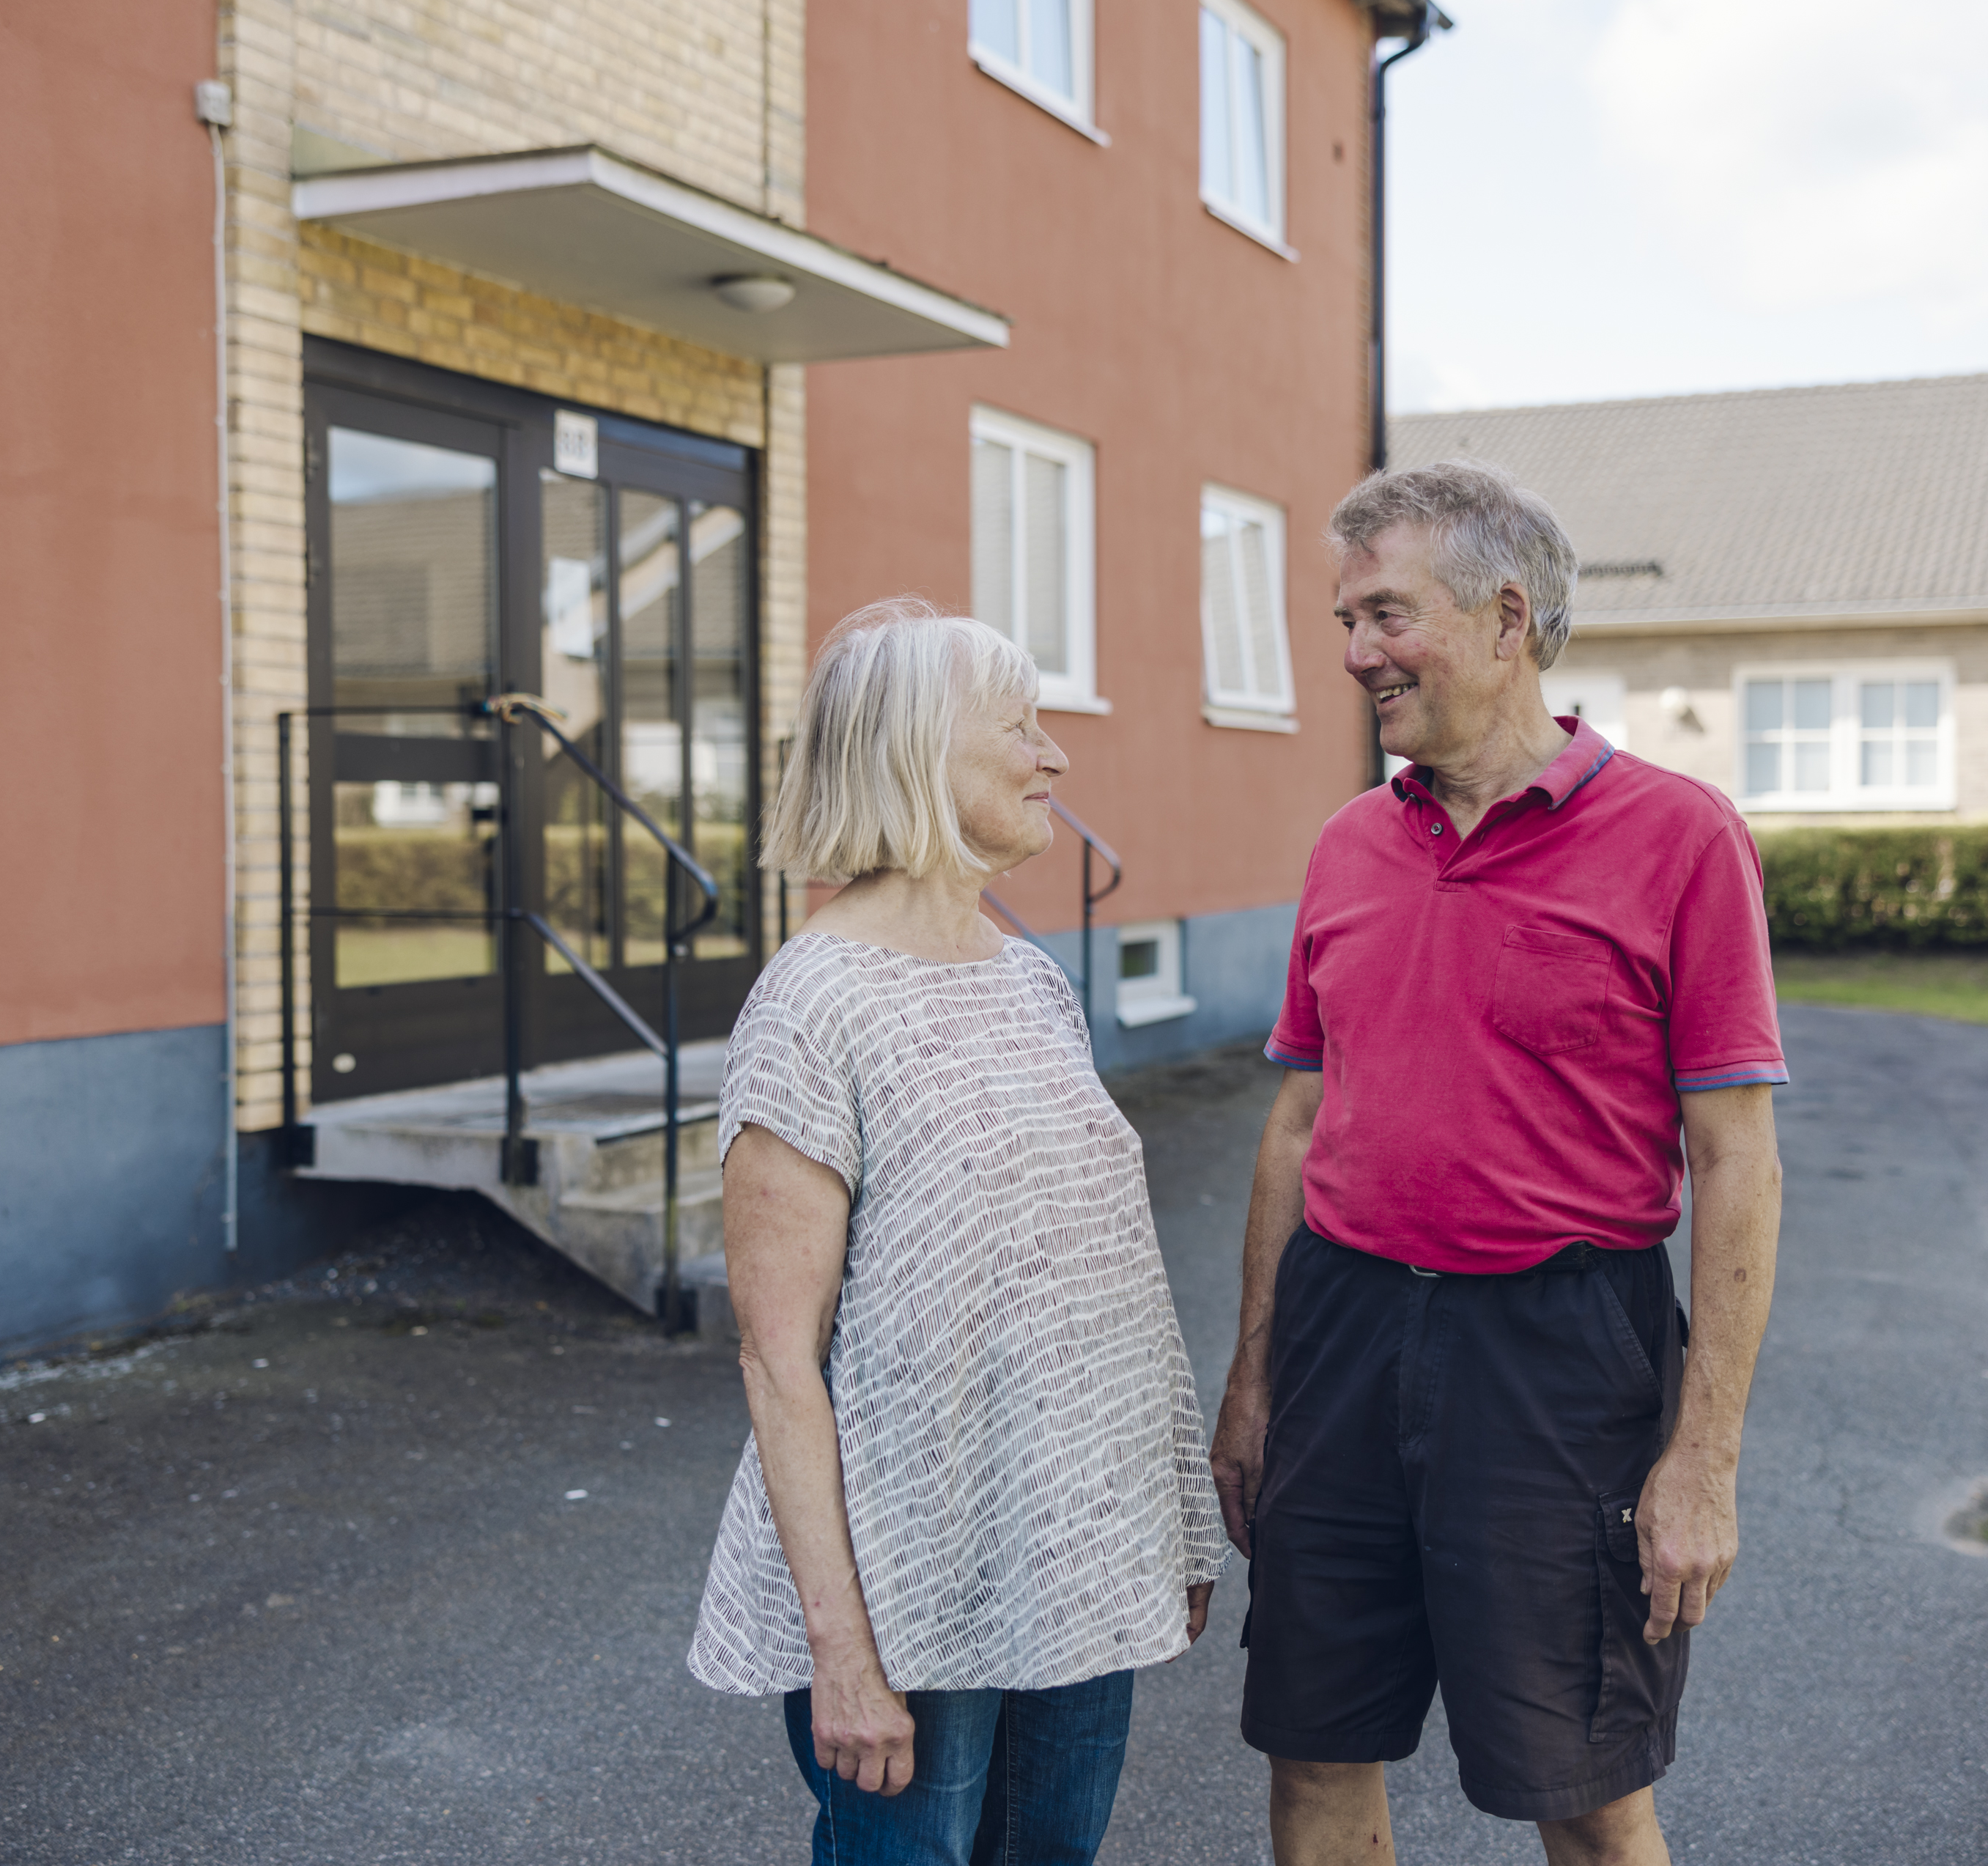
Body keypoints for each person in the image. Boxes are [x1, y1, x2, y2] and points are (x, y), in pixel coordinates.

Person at [1211, 462, 1788, 1866]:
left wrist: (1701, 1457)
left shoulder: (1678, 836)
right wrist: (1256, 1376)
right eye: (1345, 621)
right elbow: (1295, 1127)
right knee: (1316, 1750)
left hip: (1560, 1350)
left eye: (1385, 616)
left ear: (1506, 616)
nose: (1356, 657)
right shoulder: (1349, 846)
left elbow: (1735, 1157)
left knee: (1583, 1790)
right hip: (1345, 1333)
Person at [690, 599, 1227, 1865]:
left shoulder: (1028, 977)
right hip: (906, 1583)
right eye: (1021, 727)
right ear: (919, 756)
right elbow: (779, 1363)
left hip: (1075, 1557)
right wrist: (842, 1654)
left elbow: (1107, 1289)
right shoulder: (812, 1007)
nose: (1055, 756)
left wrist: (1171, 1522)